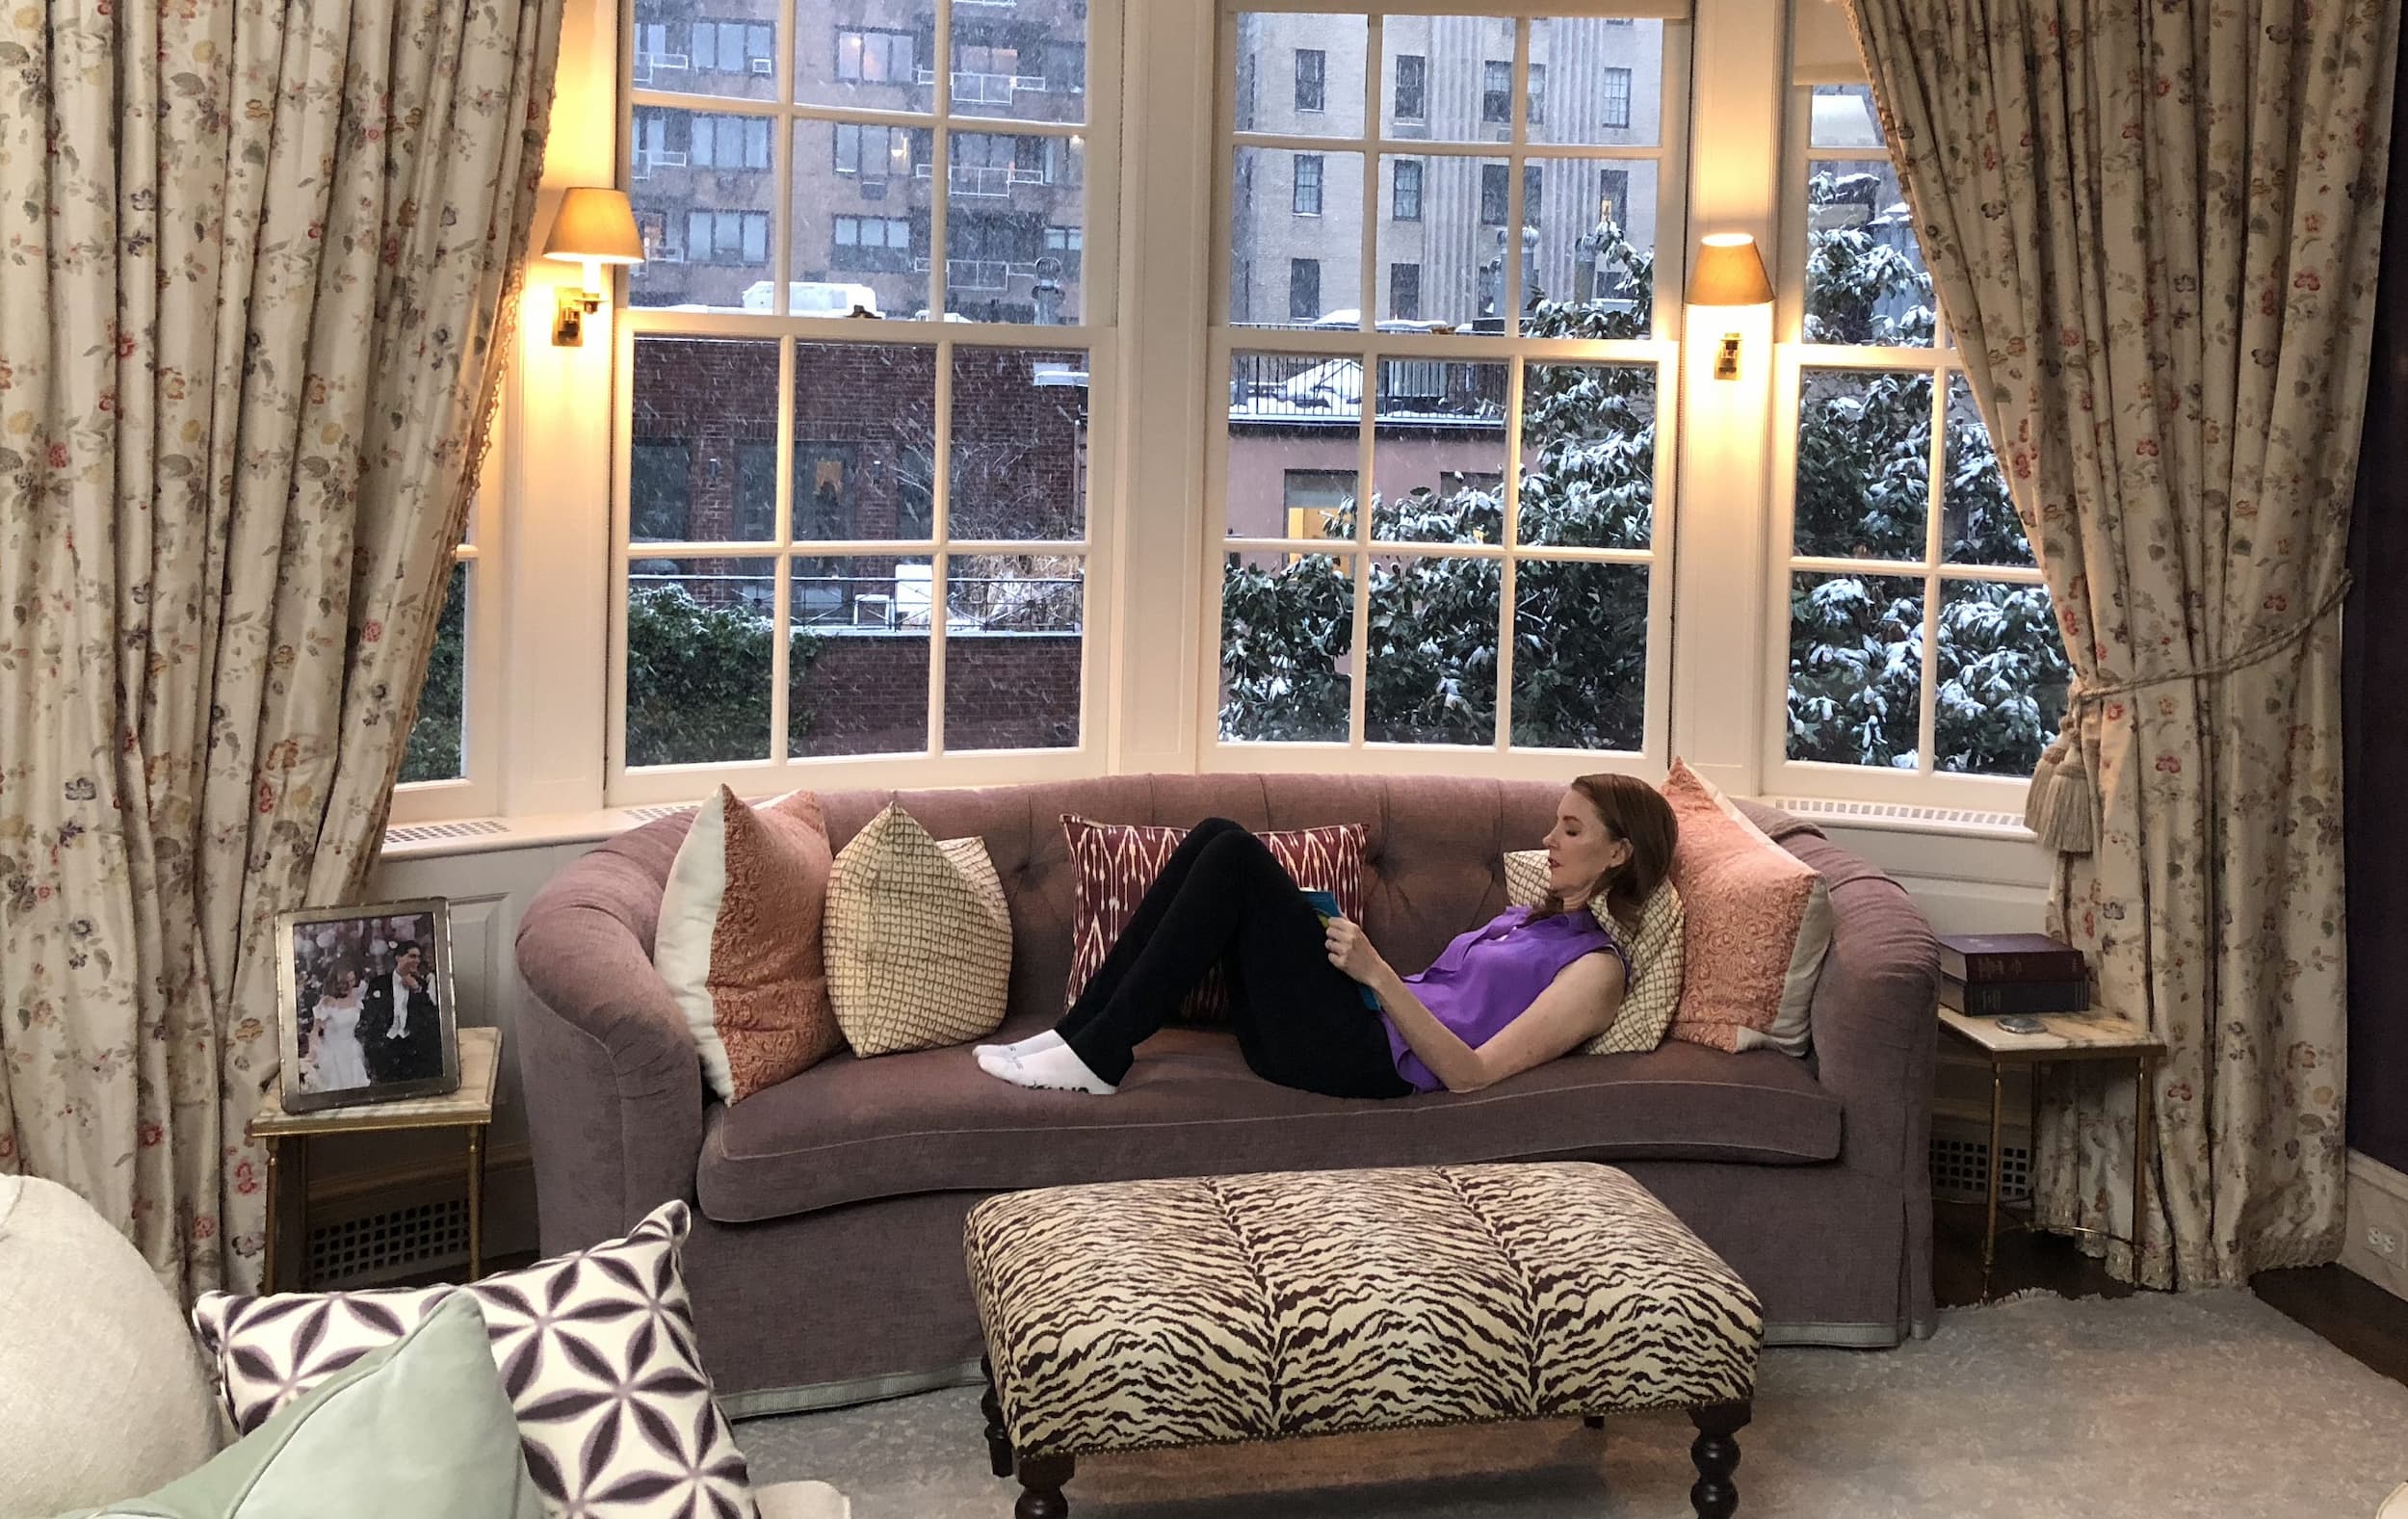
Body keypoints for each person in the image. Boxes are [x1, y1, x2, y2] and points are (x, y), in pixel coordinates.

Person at [977, 773, 1676, 1098]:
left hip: (1363, 1059)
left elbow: (1473, 1074)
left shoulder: (1596, 971)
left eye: (1571, 830)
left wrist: (1375, 973)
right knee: (1219, 835)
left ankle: (1098, 1056)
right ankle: (1080, 1033)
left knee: (1235, 855)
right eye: (1554, 824)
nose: (1548, 839)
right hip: (1345, 1019)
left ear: (1619, 853)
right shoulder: (1525, 918)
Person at [363, 939, 439, 1084]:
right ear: (398, 958)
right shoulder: (379, 983)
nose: (417, 961)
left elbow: (429, 1015)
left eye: (418, 957)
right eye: (412, 956)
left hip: (409, 1044)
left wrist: (417, 989)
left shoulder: (421, 984)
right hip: (385, 1044)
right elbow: (369, 1015)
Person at [305, 963, 372, 1091]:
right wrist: (312, 1051)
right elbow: (315, 1031)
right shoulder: (327, 1003)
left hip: (352, 1050)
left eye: (353, 980)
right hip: (332, 1053)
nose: (351, 984)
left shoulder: (357, 995)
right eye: (347, 981)